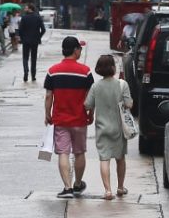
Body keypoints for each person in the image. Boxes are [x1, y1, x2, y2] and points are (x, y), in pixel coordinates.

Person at [44, 36, 94, 198]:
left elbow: (48, 96)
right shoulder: (85, 72)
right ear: (75, 50)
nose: (80, 51)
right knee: (79, 152)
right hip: (80, 119)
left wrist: (47, 114)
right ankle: (77, 184)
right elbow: (90, 97)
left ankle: (67, 188)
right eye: (80, 48)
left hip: (60, 120)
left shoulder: (53, 71)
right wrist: (91, 114)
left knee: (63, 153)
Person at [85, 55, 133, 200]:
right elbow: (129, 104)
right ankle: (120, 187)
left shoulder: (95, 86)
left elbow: (87, 105)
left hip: (102, 128)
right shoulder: (122, 84)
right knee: (120, 158)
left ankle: (107, 191)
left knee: (104, 159)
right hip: (119, 128)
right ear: (113, 67)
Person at [18, 5, 47, 82]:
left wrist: (22, 38)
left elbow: (20, 30)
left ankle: (26, 71)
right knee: (33, 58)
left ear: (30, 9)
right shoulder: (38, 17)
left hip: (26, 41)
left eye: (26, 8)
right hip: (35, 41)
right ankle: (33, 75)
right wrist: (38, 37)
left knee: (25, 57)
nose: (25, 9)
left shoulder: (24, 18)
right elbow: (43, 30)